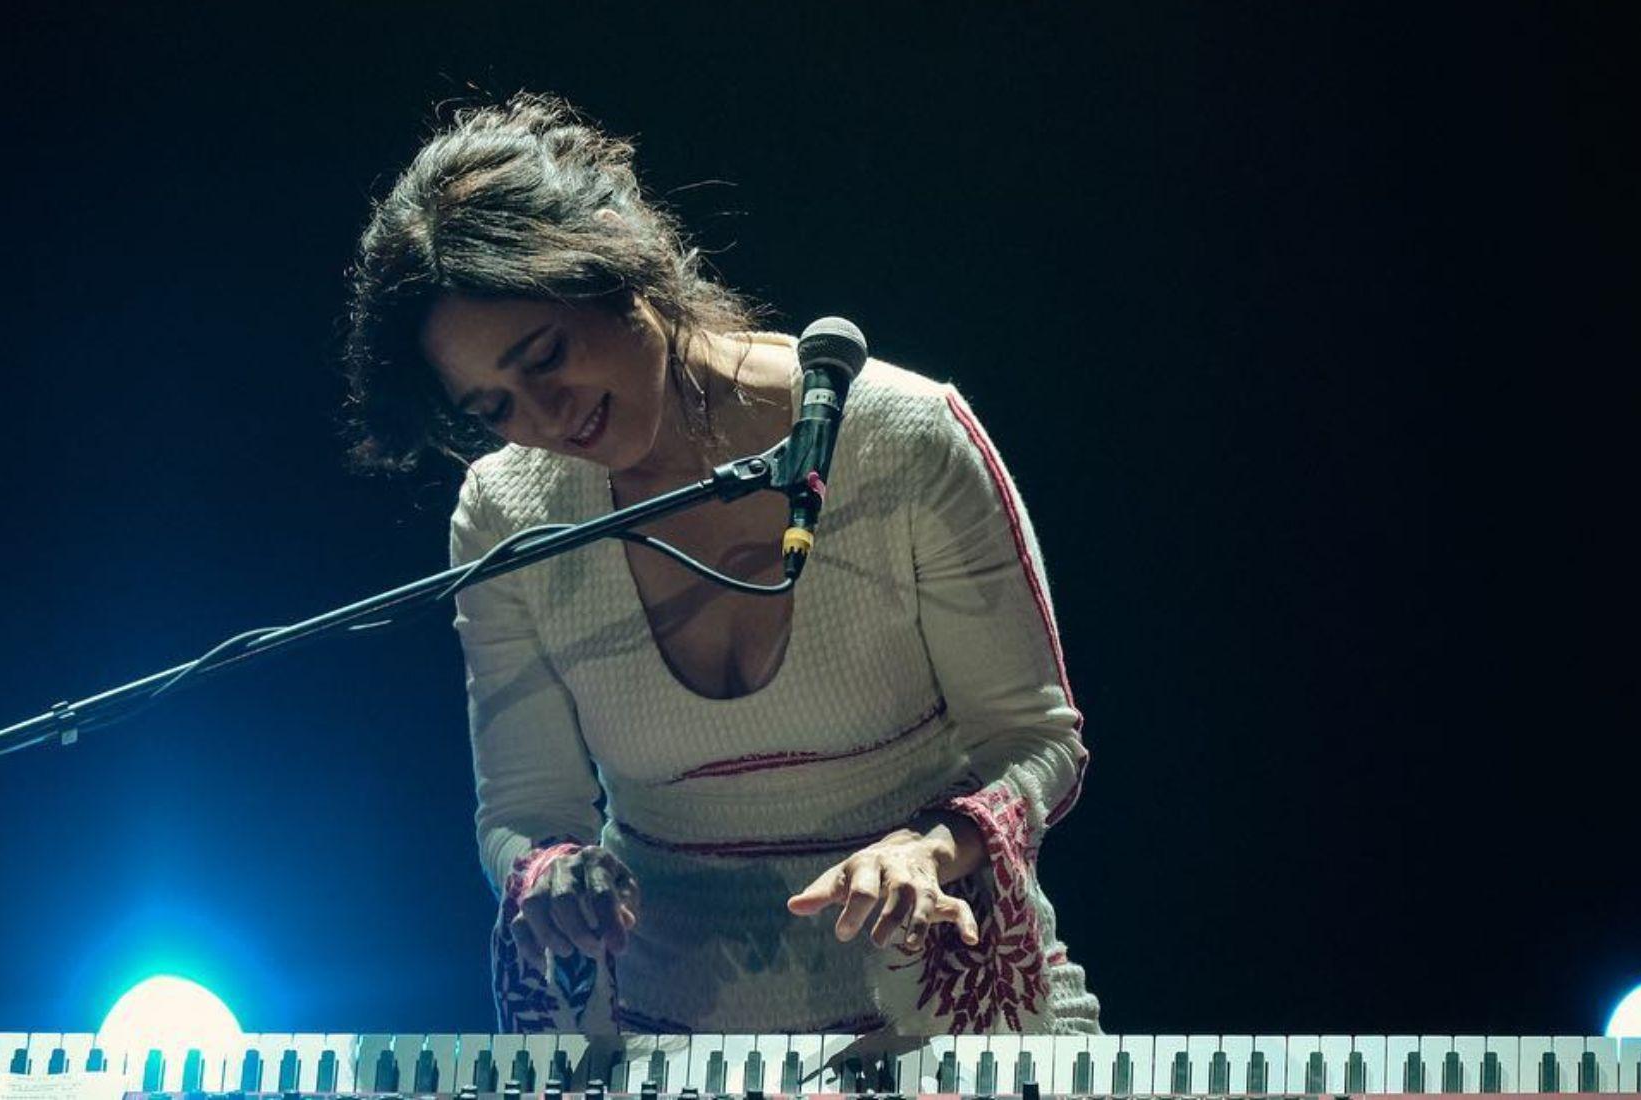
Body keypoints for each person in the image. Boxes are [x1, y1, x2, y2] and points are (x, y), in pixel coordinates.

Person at [340, 93, 1101, 1036]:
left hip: (943, 1015)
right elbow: (526, 810)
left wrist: (928, 850)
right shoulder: (509, 514)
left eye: (545, 356)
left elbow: (1039, 745)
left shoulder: (903, 440)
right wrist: (553, 876)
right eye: (493, 408)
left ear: (617, 253)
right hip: (667, 1038)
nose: (542, 419)